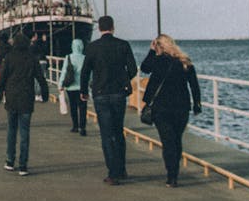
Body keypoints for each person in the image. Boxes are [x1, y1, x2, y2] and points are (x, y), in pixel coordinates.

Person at [78, 15, 137, 185]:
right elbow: (132, 69)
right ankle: (122, 169)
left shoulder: (92, 47)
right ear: (113, 27)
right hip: (119, 94)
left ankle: (113, 173)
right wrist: (123, 80)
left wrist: (84, 91)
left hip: (100, 94)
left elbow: (85, 71)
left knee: (106, 134)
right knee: (118, 132)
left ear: (99, 28)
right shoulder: (123, 45)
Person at [140, 34, 202, 187]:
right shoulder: (184, 62)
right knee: (176, 140)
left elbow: (144, 68)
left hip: (162, 108)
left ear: (159, 47)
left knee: (168, 142)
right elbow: (194, 85)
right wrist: (197, 104)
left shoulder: (157, 60)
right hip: (181, 108)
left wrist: (151, 51)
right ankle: (174, 172)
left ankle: (171, 175)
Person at [0, 33, 49, 176]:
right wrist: (45, 94)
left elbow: (2, 79)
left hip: (11, 97)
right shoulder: (32, 58)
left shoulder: (9, 58)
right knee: (25, 132)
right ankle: (23, 165)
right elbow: (41, 79)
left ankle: (10, 161)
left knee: (11, 130)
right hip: (26, 98)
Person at [59, 37, 88, 135]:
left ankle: (75, 126)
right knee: (83, 107)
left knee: (73, 106)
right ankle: (83, 128)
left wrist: (60, 84)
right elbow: (89, 73)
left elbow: (64, 71)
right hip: (83, 87)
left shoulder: (68, 57)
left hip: (71, 86)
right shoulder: (85, 58)